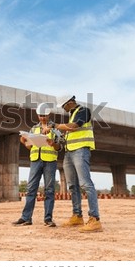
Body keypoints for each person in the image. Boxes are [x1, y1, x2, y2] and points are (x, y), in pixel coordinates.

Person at [49, 95, 103, 232]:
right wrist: (56, 139)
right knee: (72, 186)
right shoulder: (71, 116)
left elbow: (74, 127)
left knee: (86, 184)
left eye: (63, 106)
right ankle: (77, 215)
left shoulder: (83, 111)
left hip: (80, 151)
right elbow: (68, 135)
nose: (63, 109)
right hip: (69, 152)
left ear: (69, 103)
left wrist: (55, 125)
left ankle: (94, 219)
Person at [13, 103, 62, 227]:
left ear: (49, 114)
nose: (42, 118)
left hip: (50, 161)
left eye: (44, 116)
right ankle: (26, 218)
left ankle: (48, 219)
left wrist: (52, 143)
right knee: (31, 190)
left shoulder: (55, 129)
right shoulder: (33, 129)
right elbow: (29, 146)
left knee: (49, 190)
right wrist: (24, 141)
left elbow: (59, 147)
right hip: (35, 160)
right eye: (40, 115)